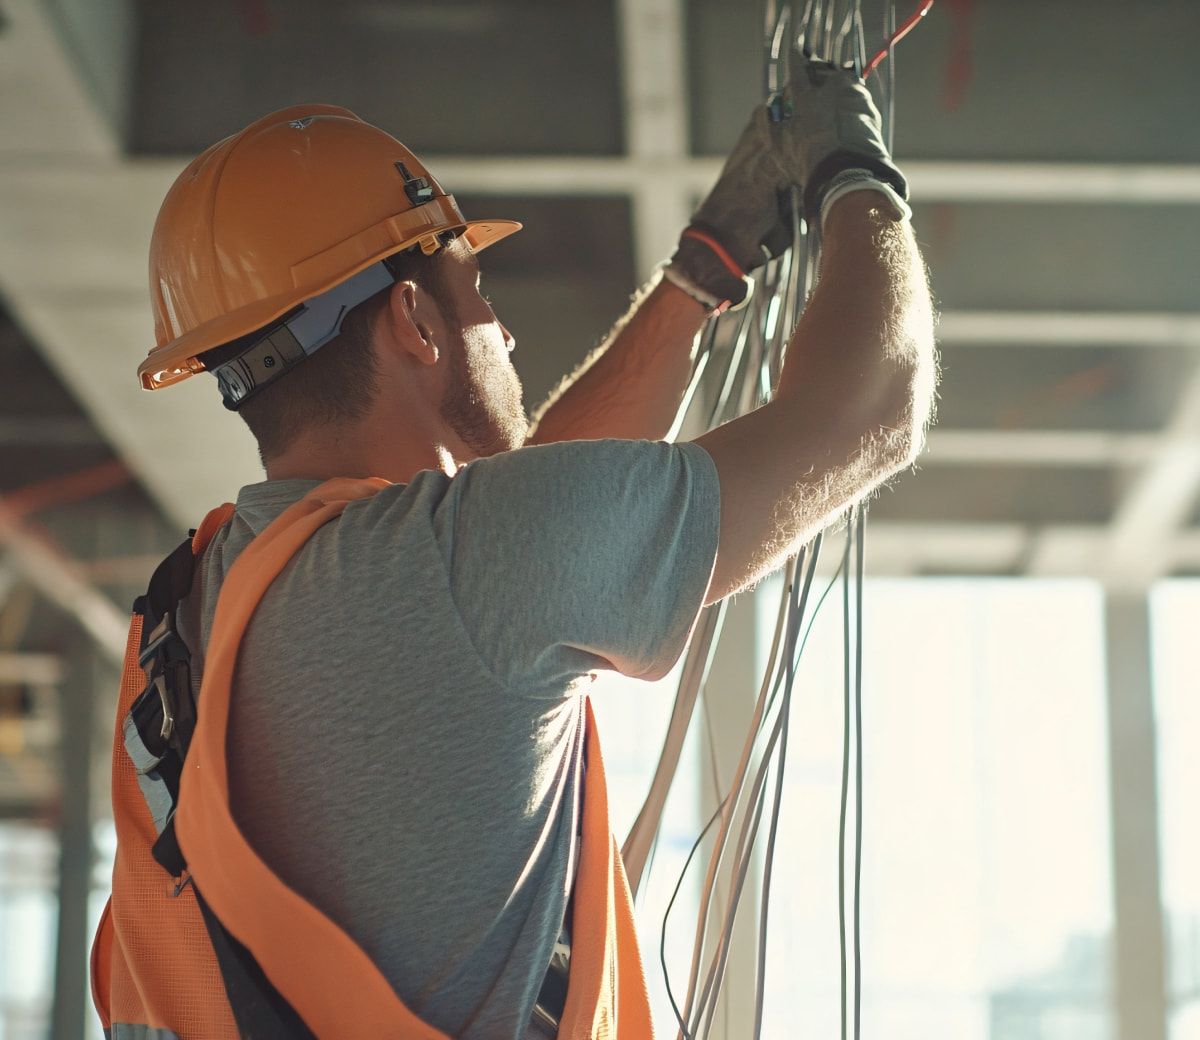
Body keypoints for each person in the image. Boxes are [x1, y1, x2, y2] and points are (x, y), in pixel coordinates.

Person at [92, 56, 935, 1040]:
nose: (502, 328)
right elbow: (872, 406)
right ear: (414, 321)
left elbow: (520, 514)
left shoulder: (215, 590)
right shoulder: (468, 566)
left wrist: (705, 268)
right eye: (473, 286)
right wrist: (858, 177)